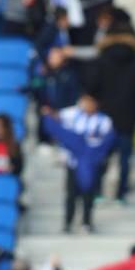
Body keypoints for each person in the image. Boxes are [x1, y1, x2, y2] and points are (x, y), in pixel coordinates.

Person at [90, 16, 135, 202]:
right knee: (125, 158)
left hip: (105, 116)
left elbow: (94, 88)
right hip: (128, 116)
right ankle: (121, 194)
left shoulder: (101, 60)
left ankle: (97, 191)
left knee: (102, 155)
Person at [42, 93, 115, 233]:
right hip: (73, 163)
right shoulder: (73, 114)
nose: (87, 105)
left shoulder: (104, 121)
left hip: (91, 164)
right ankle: (68, 223)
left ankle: (87, 223)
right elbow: (57, 117)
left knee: (88, 194)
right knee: (71, 194)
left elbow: (106, 142)